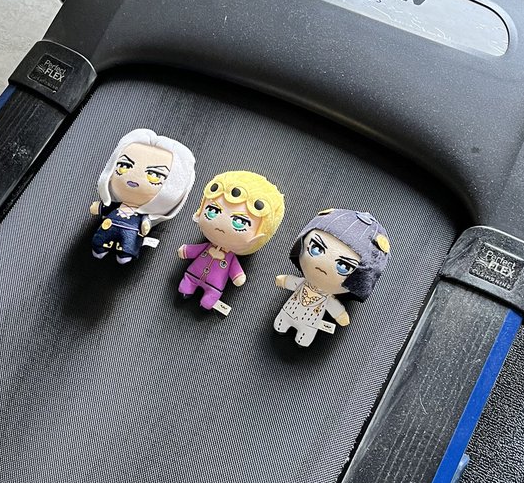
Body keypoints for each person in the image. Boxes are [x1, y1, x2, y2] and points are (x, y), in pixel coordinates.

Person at [275, 209, 389, 346]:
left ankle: (300, 339)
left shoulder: (327, 297)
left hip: (310, 323)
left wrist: (340, 316)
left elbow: (335, 308)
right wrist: (283, 281)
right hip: (288, 312)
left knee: (304, 336)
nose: (322, 263)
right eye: (316, 248)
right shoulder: (303, 283)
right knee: (281, 324)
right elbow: (290, 281)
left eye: (343, 266)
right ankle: (282, 328)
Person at [178, 171, 285, 314]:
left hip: (214, 286)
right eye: (212, 210)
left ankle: (206, 301)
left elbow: (236, 271)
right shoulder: (206, 247)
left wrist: (238, 276)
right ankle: (187, 289)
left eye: (240, 222)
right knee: (186, 284)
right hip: (192, 275)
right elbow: (194, 250)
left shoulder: (230, 257)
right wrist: (185, 251)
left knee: (209, 299)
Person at [91, 129, 196, 264]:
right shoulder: (114, 205)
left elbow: (145, 222)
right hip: (108, 225)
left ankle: (125, 253)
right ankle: (99, 247)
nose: (134, 178)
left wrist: (146, 223)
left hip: (130, 232)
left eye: (155, 175)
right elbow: (105, 207)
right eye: (124, 165)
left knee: (128, 242)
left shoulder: (142, 215)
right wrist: (99, 207)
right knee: (101, 238)